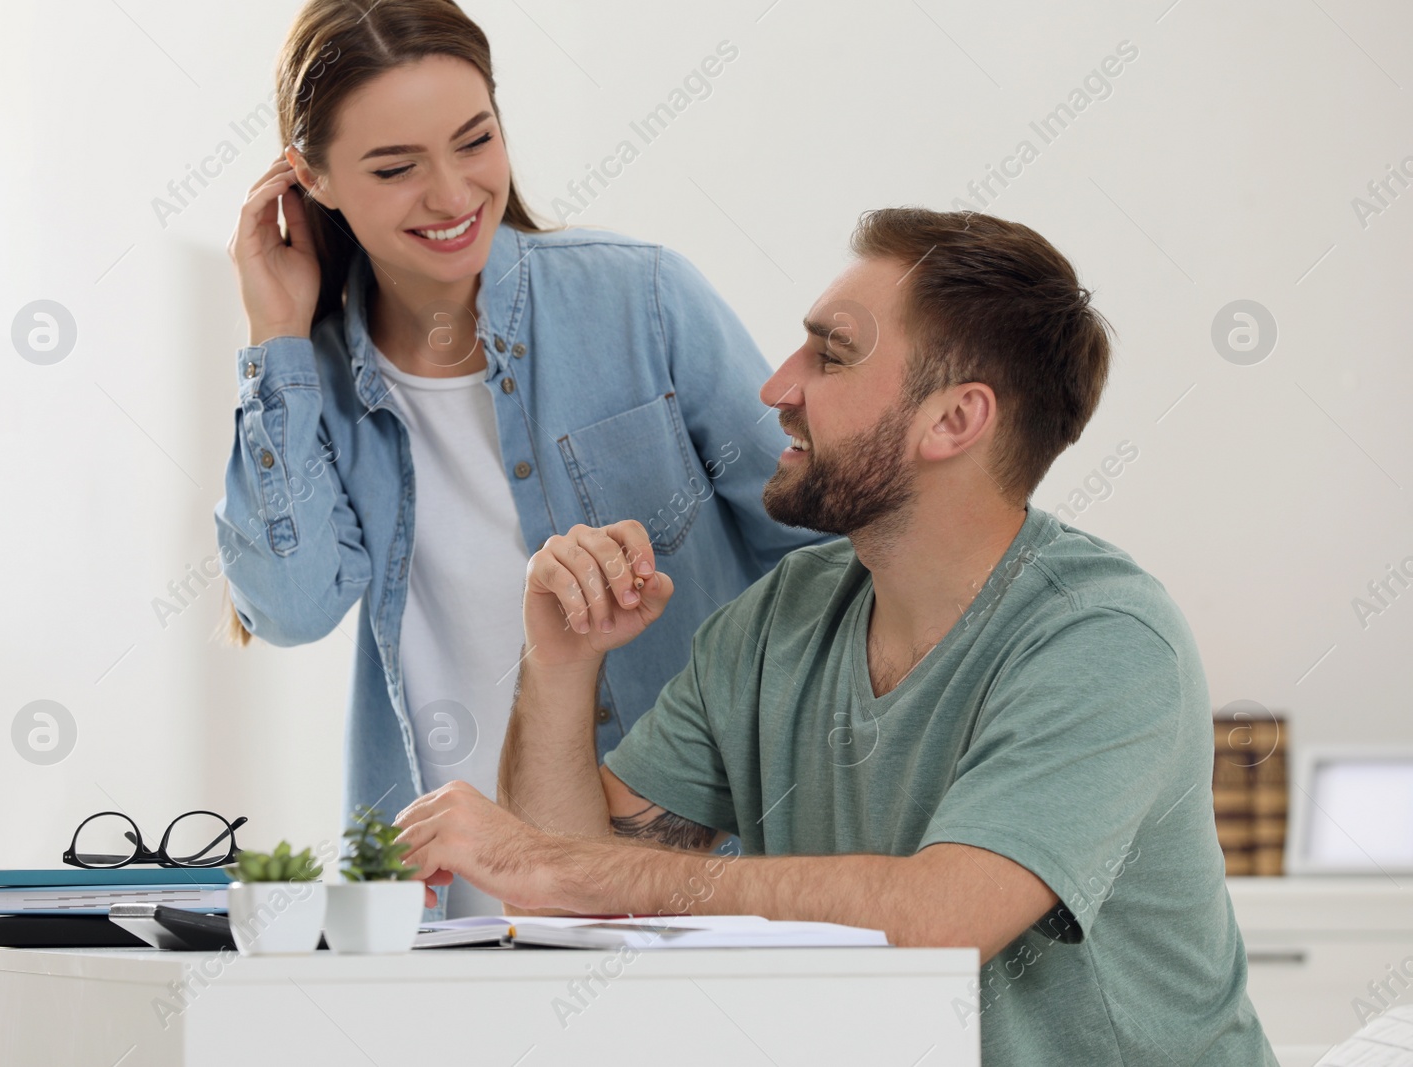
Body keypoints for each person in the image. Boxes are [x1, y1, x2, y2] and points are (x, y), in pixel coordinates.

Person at [391, 208, 1278, 1064]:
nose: (777, 387)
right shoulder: (787, 615)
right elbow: (577, 885)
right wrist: (561, 662)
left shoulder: (1103, 641)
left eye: (830, 354)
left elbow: (940, 920)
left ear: (955, 420)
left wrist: (566, 869)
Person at [213, 0, 828, 918]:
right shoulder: (315, 376)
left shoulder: (641, 300)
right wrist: (276, 338)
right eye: (395, 167)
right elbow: (292, 609)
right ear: (313, 178)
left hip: (680, 887)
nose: (453, 194)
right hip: (442, 912)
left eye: (475, 140)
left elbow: (822, 551)